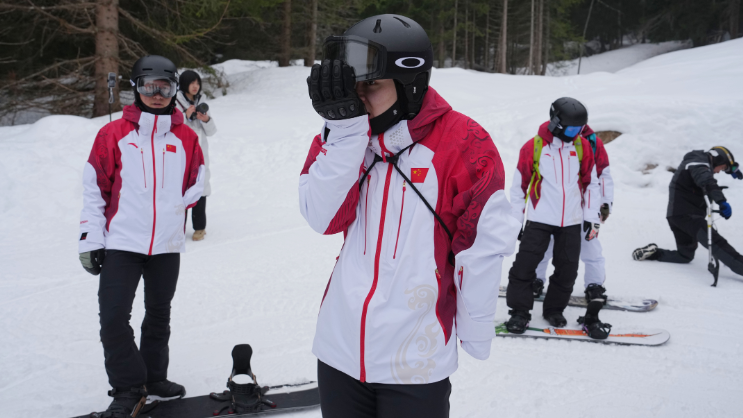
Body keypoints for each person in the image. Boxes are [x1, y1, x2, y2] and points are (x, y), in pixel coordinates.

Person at [299, 14, 520, 418]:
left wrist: (476, 328)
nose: (357, 97)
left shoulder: (463, 141)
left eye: (371, 85)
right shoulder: (344, 134)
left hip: (415, 361)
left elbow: (481, 244)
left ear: (409, 84)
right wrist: (345, 137)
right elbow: (322, 217)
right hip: (339, 349)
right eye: (352, 84)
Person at [78, 55, 205, 417]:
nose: (157, 95)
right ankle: (128, 388)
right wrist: (91, 238)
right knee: (113, 317)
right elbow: (94, 190)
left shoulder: (186, 137)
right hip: (122, 243)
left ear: (174, 89)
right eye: (149, 87)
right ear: (135, 87)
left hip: (166, 244)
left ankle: (153, 377)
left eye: (164, 87)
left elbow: (198, 179)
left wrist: (179, 206)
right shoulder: (113, 134)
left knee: (159, 315)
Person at [506, 98, 608, 339]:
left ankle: (554, 309)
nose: (576, 134)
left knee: (567, 270)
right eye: (572, 130)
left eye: (580, 129)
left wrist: (591, 217)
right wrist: (516, 220)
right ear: (556, 124)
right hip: (540, 219)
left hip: (571, 220)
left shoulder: (582, 147)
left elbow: (592, 184)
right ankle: (519, 312)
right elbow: (519, 188)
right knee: (525, 266)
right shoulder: (534, 147)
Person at [533, 124, 613, 310]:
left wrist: (605, 202)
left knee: (590, 245)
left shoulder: (593, 142)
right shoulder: (551, 138)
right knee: (545, 244)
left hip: (587, 207)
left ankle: (594, 285)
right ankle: (535, 279)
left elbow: (603, 174)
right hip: (554, 205)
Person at [633, 146, 743, 277]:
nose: (719, 172)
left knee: (685, 255)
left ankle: (654, 253)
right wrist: (721, 201)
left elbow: (703, 180)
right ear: (718, 160)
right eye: (722, 167)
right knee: (716, 242)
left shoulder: (697, 163)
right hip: (688, 216)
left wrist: (731, 170)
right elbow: (706, 181)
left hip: (676, 216)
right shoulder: (698, 164)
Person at [176, 70, 217, 241]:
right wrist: (184, 116)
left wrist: (205, 120)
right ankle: (178, 228)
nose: (195, 86)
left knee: (200, 187)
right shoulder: (175, 102)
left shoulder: (202, 102)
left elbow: (212, 131)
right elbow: (171, 127)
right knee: (181, 189)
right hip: (182, 153)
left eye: (197, 83)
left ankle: (200, 228)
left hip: (200, 153)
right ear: (184, 84)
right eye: (192, 83)